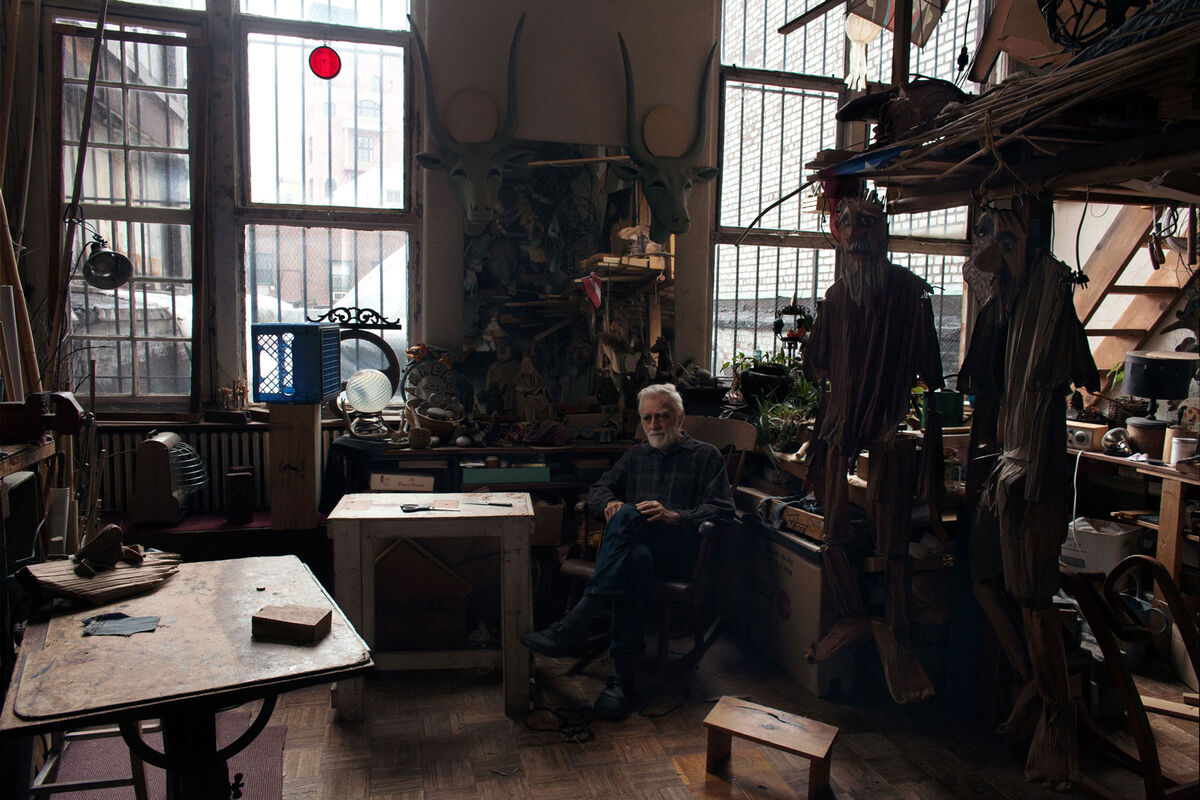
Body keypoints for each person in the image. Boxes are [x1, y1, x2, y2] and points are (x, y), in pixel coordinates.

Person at [521, 383, 735, 720]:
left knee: (629, 523)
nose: (653, 426)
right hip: (636, 554)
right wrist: (610, 502)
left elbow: (722, 511)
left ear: (680, 418)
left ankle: (579, 618)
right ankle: (621, 680)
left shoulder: (705, 457)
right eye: (647, 418)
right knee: (632, 556)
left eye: (662, 417)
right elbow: (599, 488)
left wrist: (675, 516)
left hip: (678, 553)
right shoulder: (636, 456)